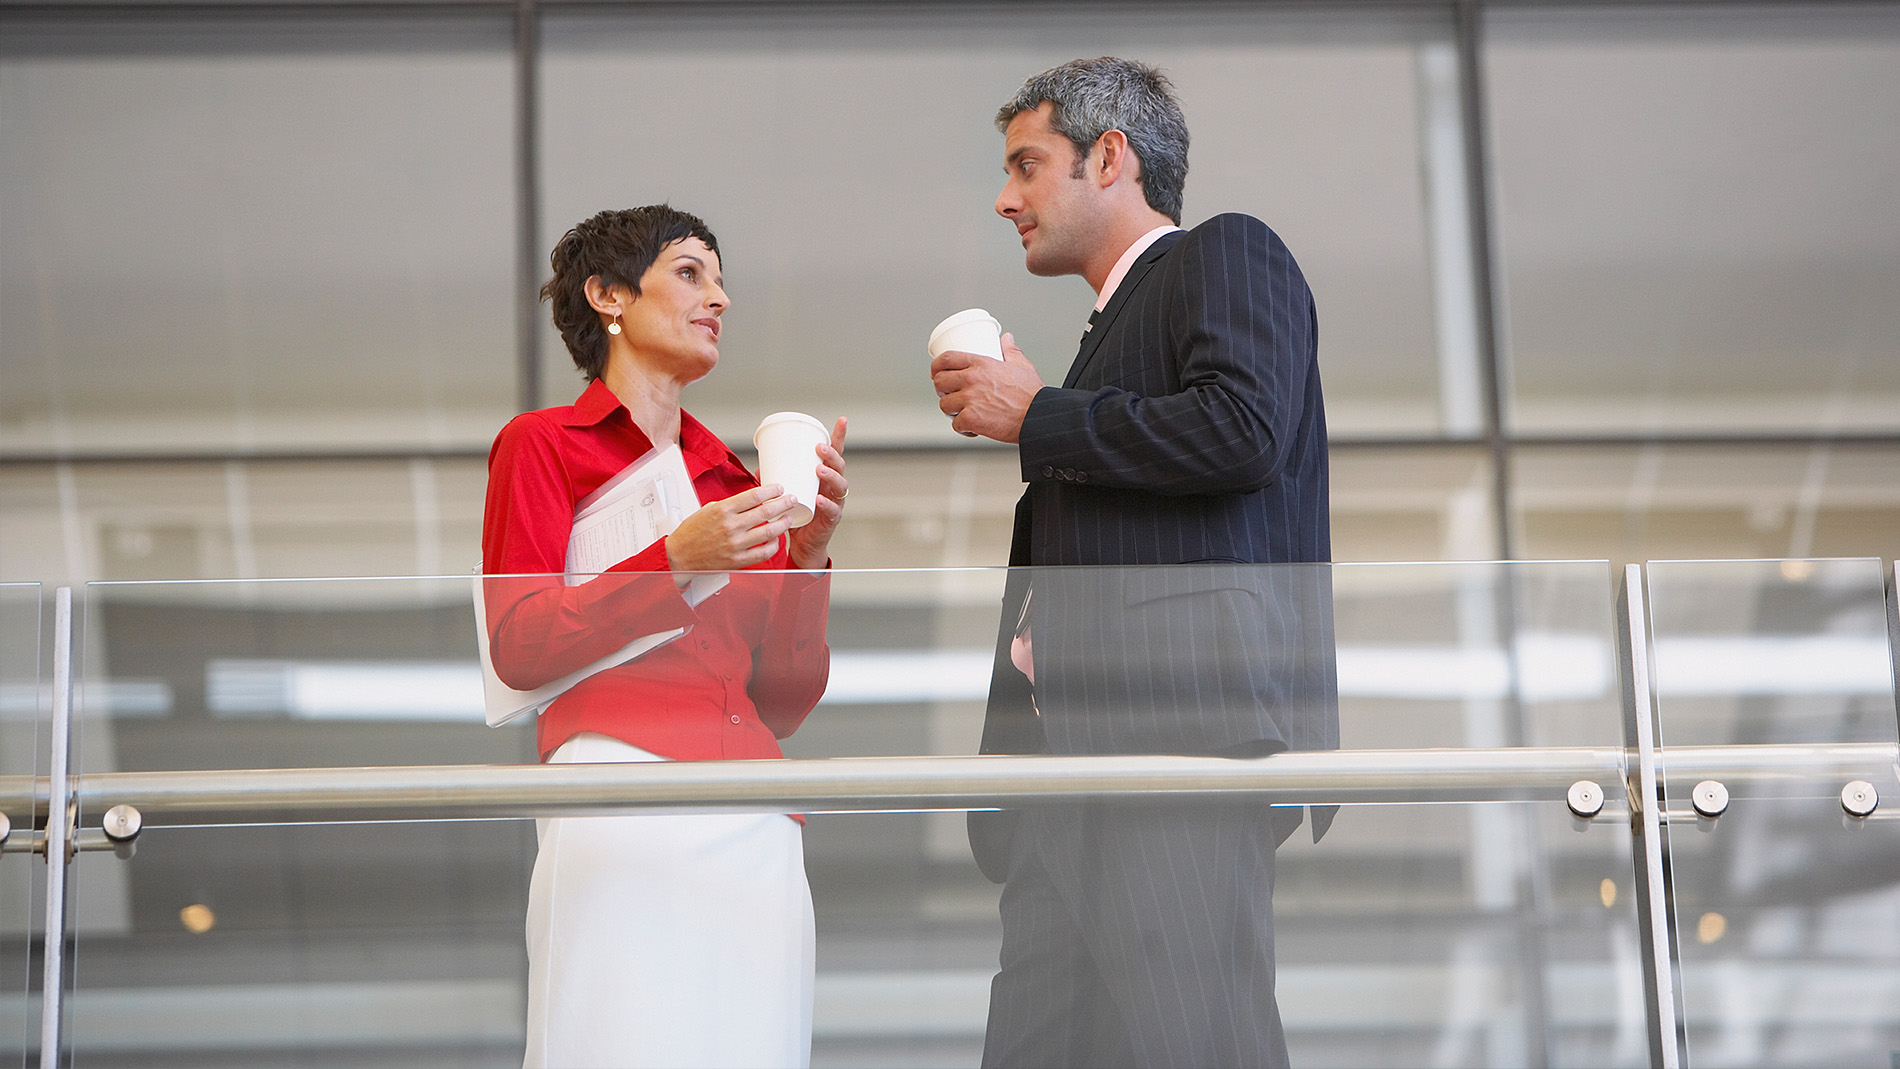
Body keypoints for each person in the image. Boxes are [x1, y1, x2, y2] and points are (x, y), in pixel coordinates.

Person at [928, 58, 1337, 1067]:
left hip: (1174, 744)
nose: (1004, 197)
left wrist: (1039, 415)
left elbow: (1241, 428)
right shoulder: (1102, 338)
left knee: (1196, 1043)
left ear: (1109, 157)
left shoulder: (1225, 252)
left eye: (1027, 165)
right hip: (1061, 777)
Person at [481, 205, 848, 1069]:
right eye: (690, 273)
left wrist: (808, 557)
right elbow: (518, 645)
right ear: (608, 295)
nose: (718, 298)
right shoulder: (542, 446)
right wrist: (673, 559)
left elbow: (783, 704)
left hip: (756, 816)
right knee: (613, 1040)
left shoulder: (731, 484)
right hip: (618, 788)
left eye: (719, 280)